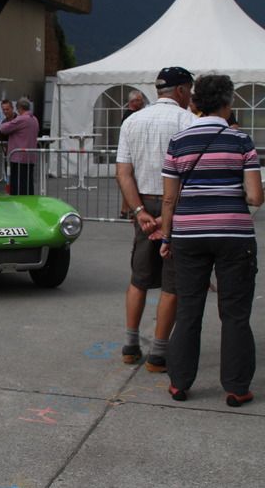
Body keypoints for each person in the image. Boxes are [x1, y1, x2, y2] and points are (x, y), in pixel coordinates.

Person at [159, 74, 263, 406]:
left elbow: (168, 199)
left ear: (195, 101)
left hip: (189, 235)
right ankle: (236, 387)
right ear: (227, 102)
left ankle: (179, 383)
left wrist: (166, 236)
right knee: (234, 313)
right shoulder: (241, 140)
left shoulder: (179, 141)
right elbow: (256, 197)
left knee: (189, 309)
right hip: (234, 235)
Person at [115, 66, 195, 372]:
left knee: (139, 277)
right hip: (176, 204)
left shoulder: (132, 120)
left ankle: (130, 344)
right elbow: (188, 175)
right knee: (172, 282)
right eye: (189, 90)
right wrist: (167, 216)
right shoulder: (188, 121)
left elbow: (123, 172)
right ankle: (159, 354)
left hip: (144, 204)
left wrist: (139, 212)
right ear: (180, 91)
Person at [0, 97, 38, 195]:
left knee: (17, 186)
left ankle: (18, 206)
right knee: (28, 184)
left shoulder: (21, 119)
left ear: (19, 108)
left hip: (18, 158)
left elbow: (3, 129)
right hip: (30, 157)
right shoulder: (34, 119)